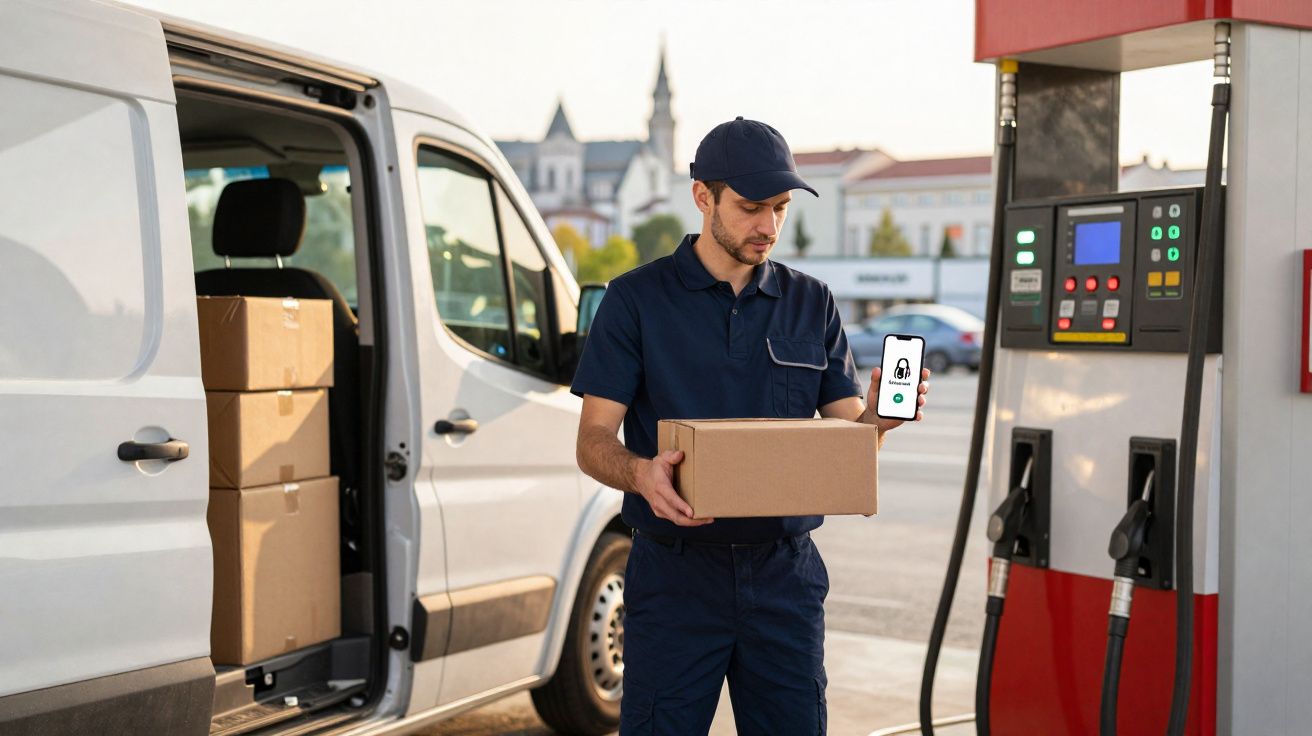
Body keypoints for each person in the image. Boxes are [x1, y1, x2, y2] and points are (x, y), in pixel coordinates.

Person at [571, 116, 930, 735]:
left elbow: (848, 442)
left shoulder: (811, 301)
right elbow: (592, 440)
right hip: (675, 573)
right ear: (703, 196)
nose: (768, 226)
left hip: (784, 577)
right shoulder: (635, 300)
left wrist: (882, 415)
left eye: (781, 208)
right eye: (751, 207)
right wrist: (640, 473)